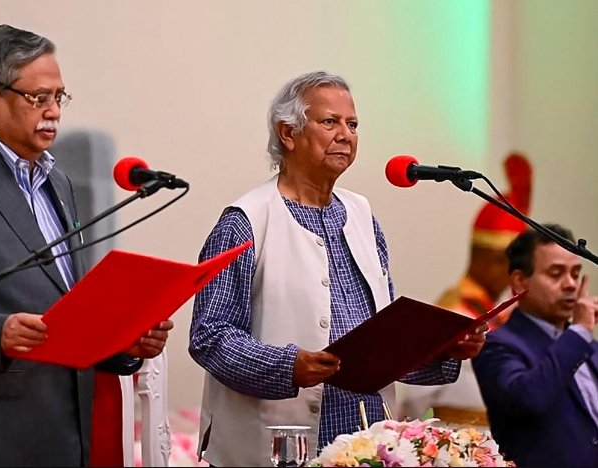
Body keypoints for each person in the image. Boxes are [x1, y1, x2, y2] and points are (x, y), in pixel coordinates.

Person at [0, 24, 172, 467]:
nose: (54, 111)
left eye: (60, 97)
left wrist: (122, 343)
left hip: (63, 437)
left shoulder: (57, 182)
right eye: (38, 98)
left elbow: (61, 310)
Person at [188, 71, 487, 466]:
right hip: (277, 447)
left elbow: (384, 346)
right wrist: (288, 366)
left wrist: (445, 352)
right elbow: (210, 337)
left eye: (353, 124)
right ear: (288, 134)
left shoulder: (363, 216)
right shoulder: (246, 222)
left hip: (366, 444)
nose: (345, 134)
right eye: (329, 122)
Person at [397, 152, 533, 426]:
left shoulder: (500, 315)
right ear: (484, 259)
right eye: (506, 263)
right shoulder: (455, 312)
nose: (511, 277)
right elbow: (414, 398)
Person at [472, 224, 598, 467]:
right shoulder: (498, 345)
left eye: (575, 273)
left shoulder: (589, 347)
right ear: (519, 282)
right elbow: (527, 399)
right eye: (556, 273)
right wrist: (579, 331)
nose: (571, 284)